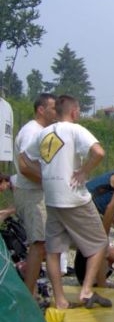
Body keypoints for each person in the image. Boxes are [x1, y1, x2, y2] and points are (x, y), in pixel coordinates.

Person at [19, 95, 112, 310]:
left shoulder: (43, 133)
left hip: (52, 199)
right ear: (74, 112)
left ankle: (60, 300)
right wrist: (84, 171)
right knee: (99, 243)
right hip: (74, 197)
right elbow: (98, 152)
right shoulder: (75, 129)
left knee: (53, 251)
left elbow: (23, 158)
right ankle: (87, 290)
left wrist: (44, 173)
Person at [11, 93, 57, 295]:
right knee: (38, 244)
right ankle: (29, 295)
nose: (56, 112)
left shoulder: (42, 131)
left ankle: (33, 289)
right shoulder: (32, 132)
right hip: (31, 195)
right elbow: (26, 167)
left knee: (42, 245)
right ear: (41, 109)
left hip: (37, 193)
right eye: (53, 108)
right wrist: (52, 182)